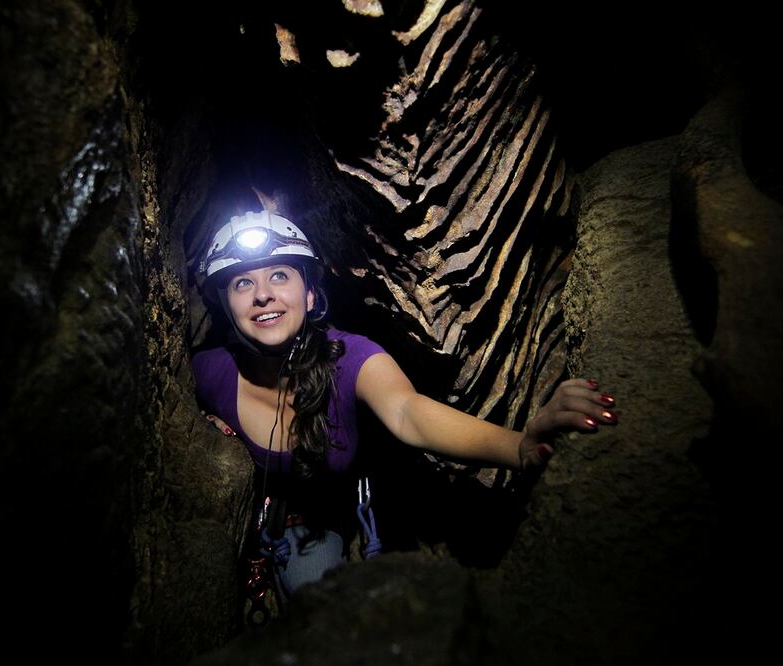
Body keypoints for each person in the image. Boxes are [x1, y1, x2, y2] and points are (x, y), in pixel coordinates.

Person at [190, 189, 618, 605]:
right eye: (242, 282)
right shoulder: (208, 372)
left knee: (319, 603)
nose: (262, 294)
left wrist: (519, 444)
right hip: (245, 519)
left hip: (316, 526)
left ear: (310, 293)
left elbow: (407, 411)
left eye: (279, 275)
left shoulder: (349, 358)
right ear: (225, 306)